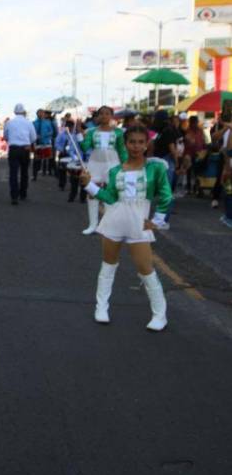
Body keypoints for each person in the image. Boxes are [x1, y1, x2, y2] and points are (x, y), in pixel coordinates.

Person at [80, 124, 172, 331]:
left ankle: (160, 315)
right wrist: (89, 185)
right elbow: (111, 198)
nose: (136, 146)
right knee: (108, 266)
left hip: (138, 223)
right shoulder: (115, 171)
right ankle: (101, 307)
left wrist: (156, 221)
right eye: (132, 142)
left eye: (141, 142)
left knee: (146, 269)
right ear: (126, 143)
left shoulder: (155, 168)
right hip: (114, 220)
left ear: (147, 144)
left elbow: (166, 195)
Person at [80, 106, 127, 235]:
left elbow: (122, 151)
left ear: (111, 116)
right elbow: (84, 148)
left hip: (113, 165)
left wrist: (126, 165)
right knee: (92, 192)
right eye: (101, 114)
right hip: (94, 164)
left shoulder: (118, 132)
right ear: (98, 116)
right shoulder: (91, 131)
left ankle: (107, 225)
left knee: (110, 194)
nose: (104, 116)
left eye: (107, 114)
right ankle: (92, 225)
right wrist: (80, 135)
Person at [4, 104, 37, 205]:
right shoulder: (28, 123)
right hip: (25, 149)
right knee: (24, 172)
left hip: (13, 149)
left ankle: (14, 196)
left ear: (14, 112)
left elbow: (5, 136)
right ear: (23, 112)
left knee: (13, 173)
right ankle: (23, 193)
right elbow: (33, 137)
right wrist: (27, 142)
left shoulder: (9, 123)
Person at [33, 109, 55, 180]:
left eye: (42, 113)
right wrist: (36, 136)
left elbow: (51, 131)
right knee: (36, 160)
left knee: (49, 158)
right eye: (39, 113)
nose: (40, 115)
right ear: (37, 114)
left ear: (43, 114)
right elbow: (31, 132)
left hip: (46, 143)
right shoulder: (34, 123)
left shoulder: (48, 122)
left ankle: (51, 172)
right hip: (38, 143)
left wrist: (45, 135)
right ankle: (34, 175)